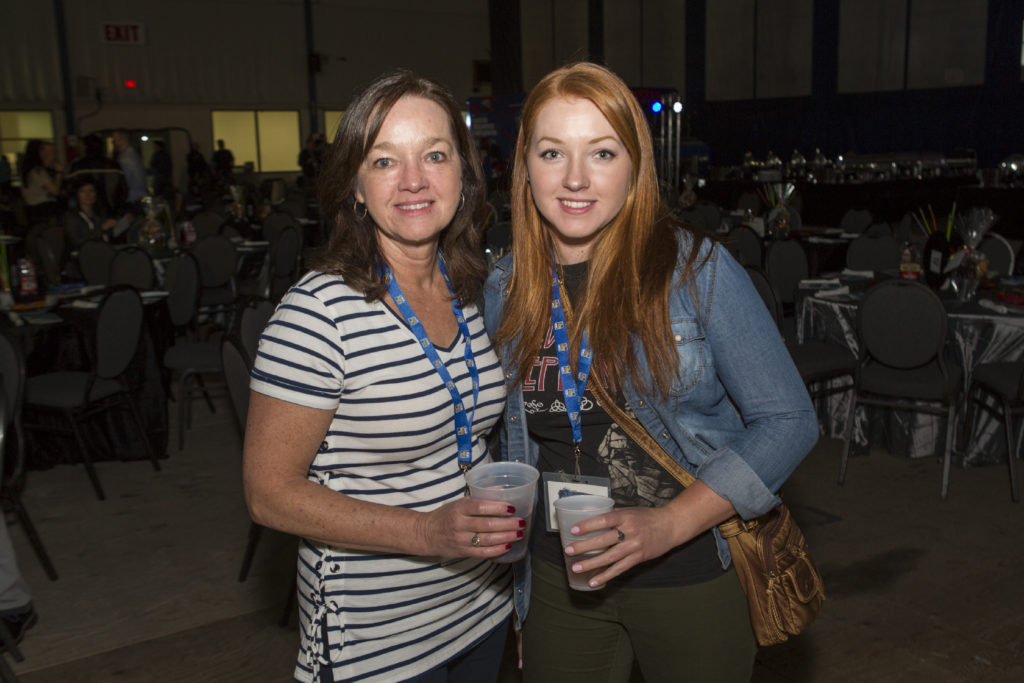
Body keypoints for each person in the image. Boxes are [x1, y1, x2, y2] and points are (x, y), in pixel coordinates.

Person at [482, 62, 819, 682]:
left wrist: (669, 525)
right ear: (524, 166)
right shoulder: (507, 288)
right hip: (560, 579)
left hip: (688, 572)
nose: (576, 178)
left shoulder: (697, 272)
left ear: (635, 166)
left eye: (602, 153)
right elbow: (512, 438)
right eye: (553, 152)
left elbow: (789, 419)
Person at [242, 69, 520, 683]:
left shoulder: (473, 290)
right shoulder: (317, 316)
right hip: (375, 639)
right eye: (384, 160)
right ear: (355, 188)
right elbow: (268, 495)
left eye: (435, 155)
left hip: (482, 608)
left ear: (464, 177)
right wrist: (425, 532)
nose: (414, 180)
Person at [63, 178, 116, 249]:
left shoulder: (100, 212)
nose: (88, 195)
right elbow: (76, 242)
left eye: (91, 190)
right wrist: (101, 229)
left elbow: (109, 235)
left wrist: (121, 225)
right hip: (84, 254)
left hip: (105, 248)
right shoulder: (71, 216)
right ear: (77, 194)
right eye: (82, 191)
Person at [19, 140, 62, 225]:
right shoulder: (38, 171)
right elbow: (55, 191)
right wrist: (59, 173)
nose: (51, 154)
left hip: (34, 210)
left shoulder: (29, 170)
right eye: (46, 151)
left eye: (53, 151)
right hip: (44, 210)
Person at [112, 130, 147, 207]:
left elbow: (123, 183)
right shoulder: (133, 155)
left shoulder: (125, 158)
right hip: (138, 199)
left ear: (122, 139)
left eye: (115, 140)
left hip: (132, 201)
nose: (113, 143)